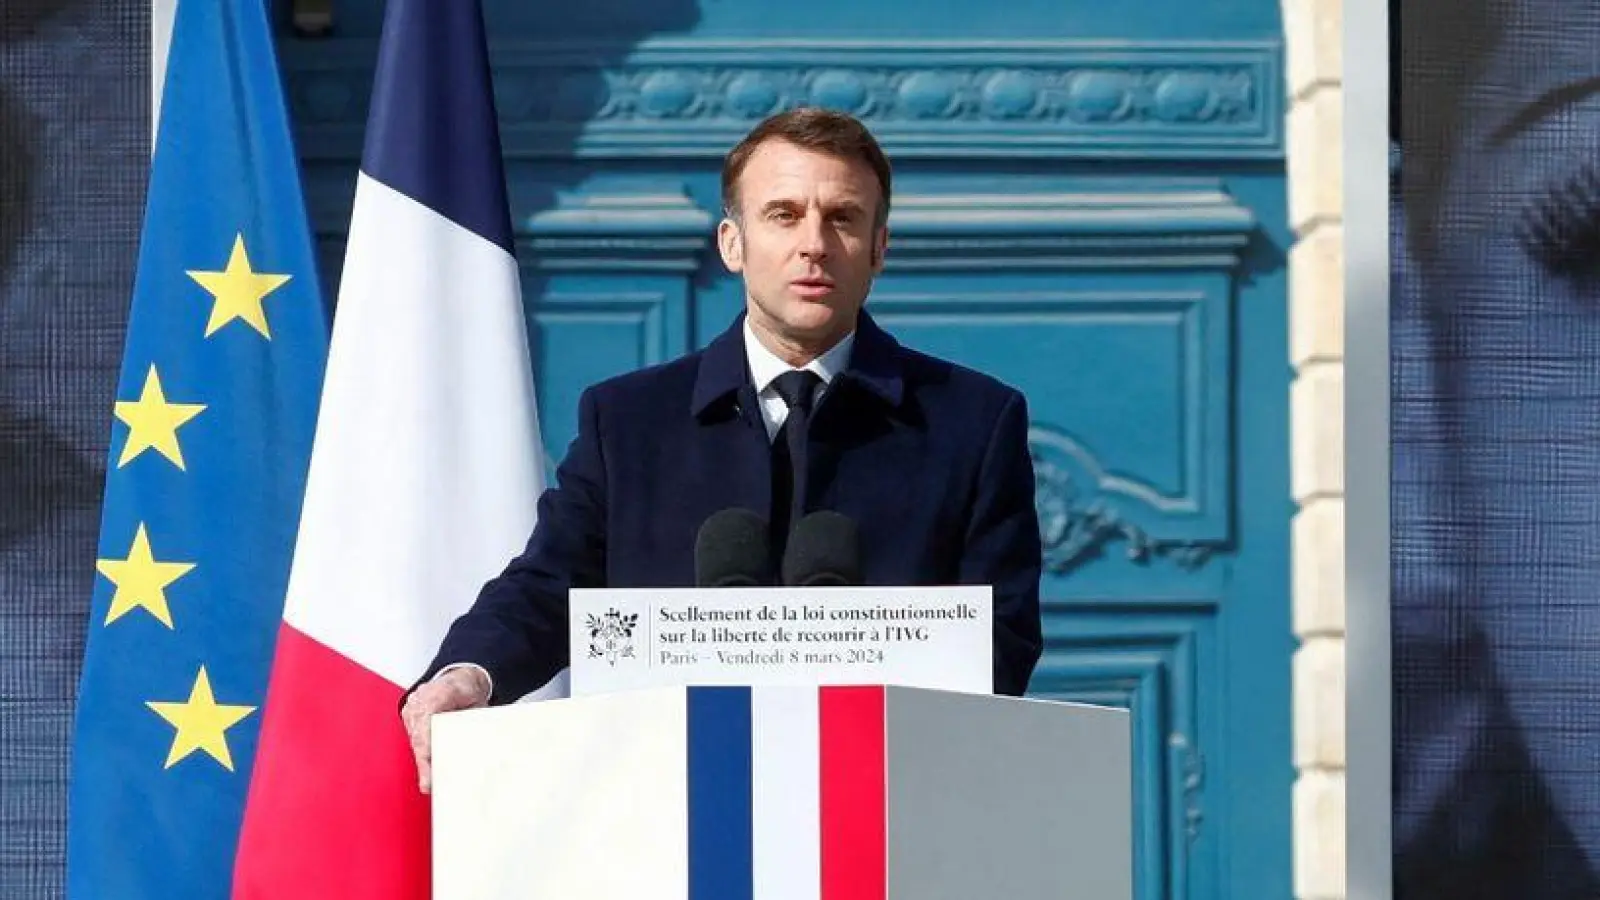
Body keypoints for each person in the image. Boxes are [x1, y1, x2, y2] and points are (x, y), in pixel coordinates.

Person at [400, 107, 1044, 791]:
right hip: (670, 808)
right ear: (733, 243)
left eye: (844, 218)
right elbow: (548, 587)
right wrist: (468, 672)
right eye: (784, 214)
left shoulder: (972, 420)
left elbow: (1000, 638)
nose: (815, 244)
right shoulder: (629, 420)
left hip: (888, 807)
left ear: (880, 247)